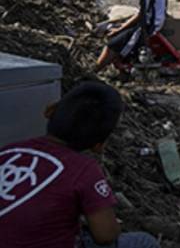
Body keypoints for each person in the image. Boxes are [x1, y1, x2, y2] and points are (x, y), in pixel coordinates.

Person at [0, 81, 159, 248]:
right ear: (99, 145)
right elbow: (105, 235)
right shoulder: (84, 170)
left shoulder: (8, 151)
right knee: (144, 242)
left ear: (49, 110)